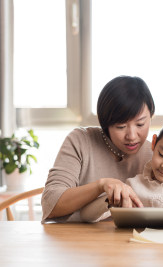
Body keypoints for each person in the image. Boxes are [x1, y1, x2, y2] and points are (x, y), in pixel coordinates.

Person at [41, 75, 155, 223]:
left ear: (151, 116)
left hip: (130, 242)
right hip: (73, 241)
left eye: (140, 124)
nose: (132, 136)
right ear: (105, 124)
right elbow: (50, 203)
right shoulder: (81, 141)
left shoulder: (157, 154)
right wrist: (101, 186)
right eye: (121, 127)